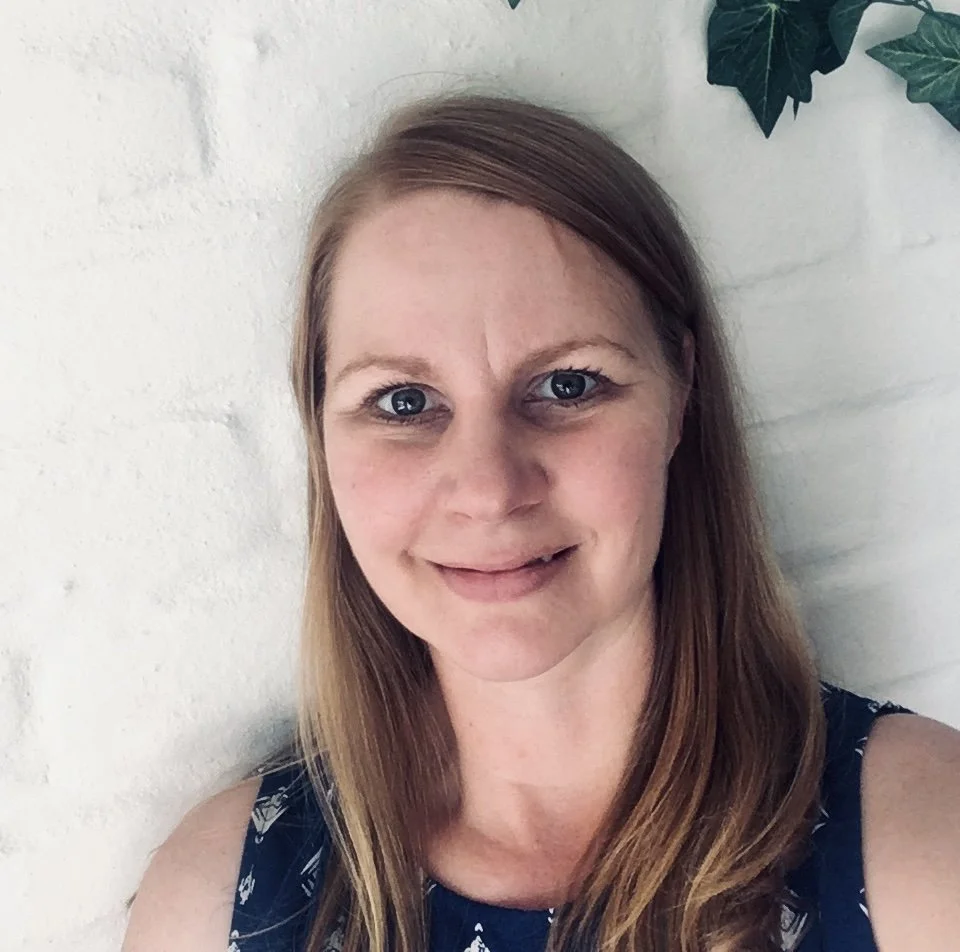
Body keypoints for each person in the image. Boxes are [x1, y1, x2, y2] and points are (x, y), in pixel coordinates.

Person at [122, 94, 960, 952]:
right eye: (403, 402)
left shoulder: (925, 855)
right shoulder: (216, 903)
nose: (489, 490)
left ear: (681, 395)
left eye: (568, 385)